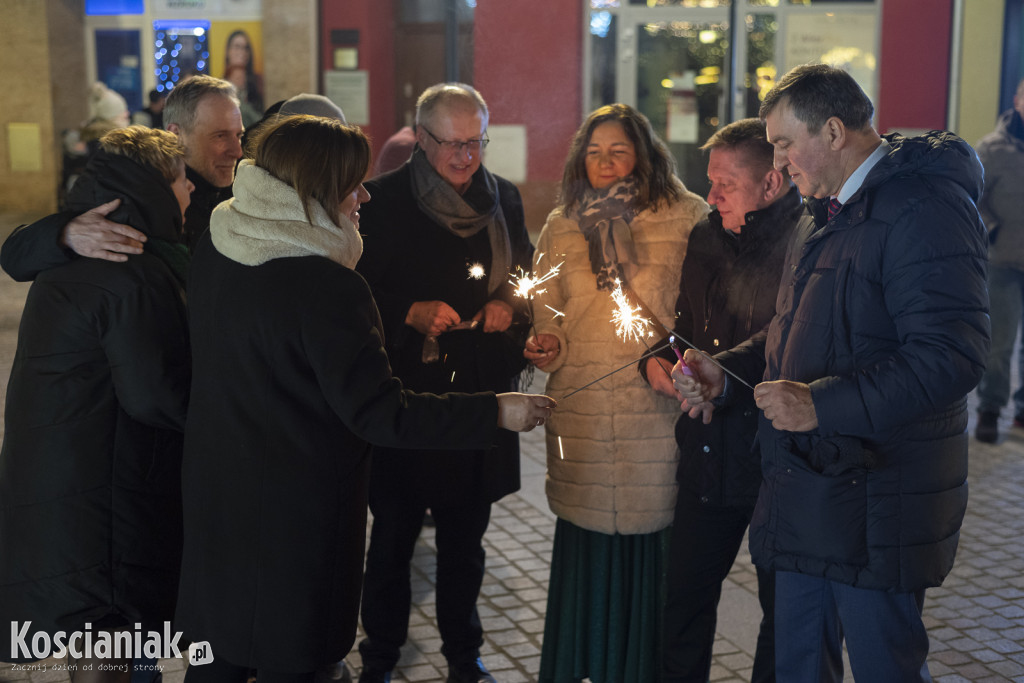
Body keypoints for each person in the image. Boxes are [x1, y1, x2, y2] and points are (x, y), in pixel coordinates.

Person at [174, 113, 554, 683]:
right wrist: (495, 410)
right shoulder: (327, 285)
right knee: (296, 662)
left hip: (218, 495)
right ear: (317, 188)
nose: (364, 195)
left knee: (221, 656)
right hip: (295, 518)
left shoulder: (219, 244)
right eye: (352, 183)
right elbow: (380, 411)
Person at [675, 64, 989, 682]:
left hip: (880, 499)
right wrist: (726, 373)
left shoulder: (923, 208)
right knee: (798, 666)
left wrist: (822, 405)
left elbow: (951, 356)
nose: (780, 161)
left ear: (836, 131)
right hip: (807, 491)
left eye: (787, 143)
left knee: (883, 667)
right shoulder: (825, 210)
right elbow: (793, 329)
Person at [353, 83, 534, 683]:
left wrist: (510, 303)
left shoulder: (502, 198)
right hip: (405, 397)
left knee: (465, 541)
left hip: (477, 392)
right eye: (452, 143)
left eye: (476, 141)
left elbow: (527, 276)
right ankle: (380, 655)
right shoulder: (379, 202)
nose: (466, 157)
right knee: (392, 541)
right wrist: (408, 311)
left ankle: (464, 656)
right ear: (420, 138)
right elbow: (353, 295)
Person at [0, 125, 194, 680]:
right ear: (153, 187)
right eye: (181, 180)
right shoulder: (125, 267)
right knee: (110, 639)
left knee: (102, 641)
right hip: (104, 494)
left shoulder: (86, 250)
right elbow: (156, 396)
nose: (191, 190)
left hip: (70, 489)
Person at [524, 103, 708, 683]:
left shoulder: (684, 217)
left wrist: (679, 361)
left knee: (652, 540)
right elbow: (546, 301)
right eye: (595, 151)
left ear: (644, 154)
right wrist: (546, 338)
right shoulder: (561, 223)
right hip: (581, 405)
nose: (605, 163)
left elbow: (703, 309)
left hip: (652, 411)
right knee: (587, 534)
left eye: (619, 151)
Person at [641, 117, 806, 683]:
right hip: (706, 455)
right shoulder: (707, 236)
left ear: (771, 184)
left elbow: (788, 346)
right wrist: (658, 359)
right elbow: (687, 332)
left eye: (725, 185)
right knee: (683, 604)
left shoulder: (804, 242)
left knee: (782, 619)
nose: (709, 196)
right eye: (709, 181)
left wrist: (720, 379)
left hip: (772, 463)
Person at [2, 74, 243, 278]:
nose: (237, 151)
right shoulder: (137, 193)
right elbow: (15, 255)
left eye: (238, 135)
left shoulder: (241, 191)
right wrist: (65, 234)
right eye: (220, 136)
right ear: (176, 134)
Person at [974, 77, 1024, 443]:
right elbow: (971, 198)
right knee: (1000, 343)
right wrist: (993, 229)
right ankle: (990, 410)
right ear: (1017, 100)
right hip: (1003, 260)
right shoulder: (991, 150)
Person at [223, 29, 264, 119]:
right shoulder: (219, 87)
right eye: (237, 47)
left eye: (245, 48)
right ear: (228, 51)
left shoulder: (259, 83)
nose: (242, 52)